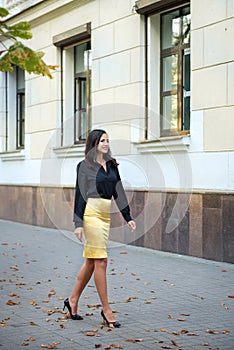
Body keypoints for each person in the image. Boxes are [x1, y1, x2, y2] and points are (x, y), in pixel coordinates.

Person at [63, 129, 136, 328]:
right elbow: (80, 195)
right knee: (101, 260)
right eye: (102, 140)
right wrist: (78, 224)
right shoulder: (84, 166)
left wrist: (127, 216)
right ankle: (106, 310)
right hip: (91, 215)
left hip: (105, 216)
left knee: (90, 262)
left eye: (108, 140)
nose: (106, 144)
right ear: (94, 143)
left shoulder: (112, 165)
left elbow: (118, 191)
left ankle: (72, 301)